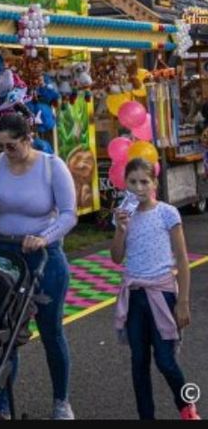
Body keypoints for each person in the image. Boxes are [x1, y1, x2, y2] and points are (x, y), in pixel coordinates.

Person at [0, 112, 78, 420]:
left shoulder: (51, 166)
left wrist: (44, 238)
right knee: (6, 330)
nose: (5, 152)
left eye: (10, 146)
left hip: (43, 256)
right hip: (5, 253)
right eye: (0, 145)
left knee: (51, 330)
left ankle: (61, 401)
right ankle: (2, 402)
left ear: (28, 139)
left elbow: (69, 214)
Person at [112, 157, 199, 420]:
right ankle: (146, 415)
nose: (138, 187)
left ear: (154, 183)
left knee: (165, 360)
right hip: (135, 294)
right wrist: (120, 229)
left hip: (162, 294)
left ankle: (186, 405)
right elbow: (116, 257)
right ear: (124, 184)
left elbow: (182, 259)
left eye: (144, 182)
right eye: (132, 182)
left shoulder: (167, 213)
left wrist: (182, 301)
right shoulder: (124, 214)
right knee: (139, 362)